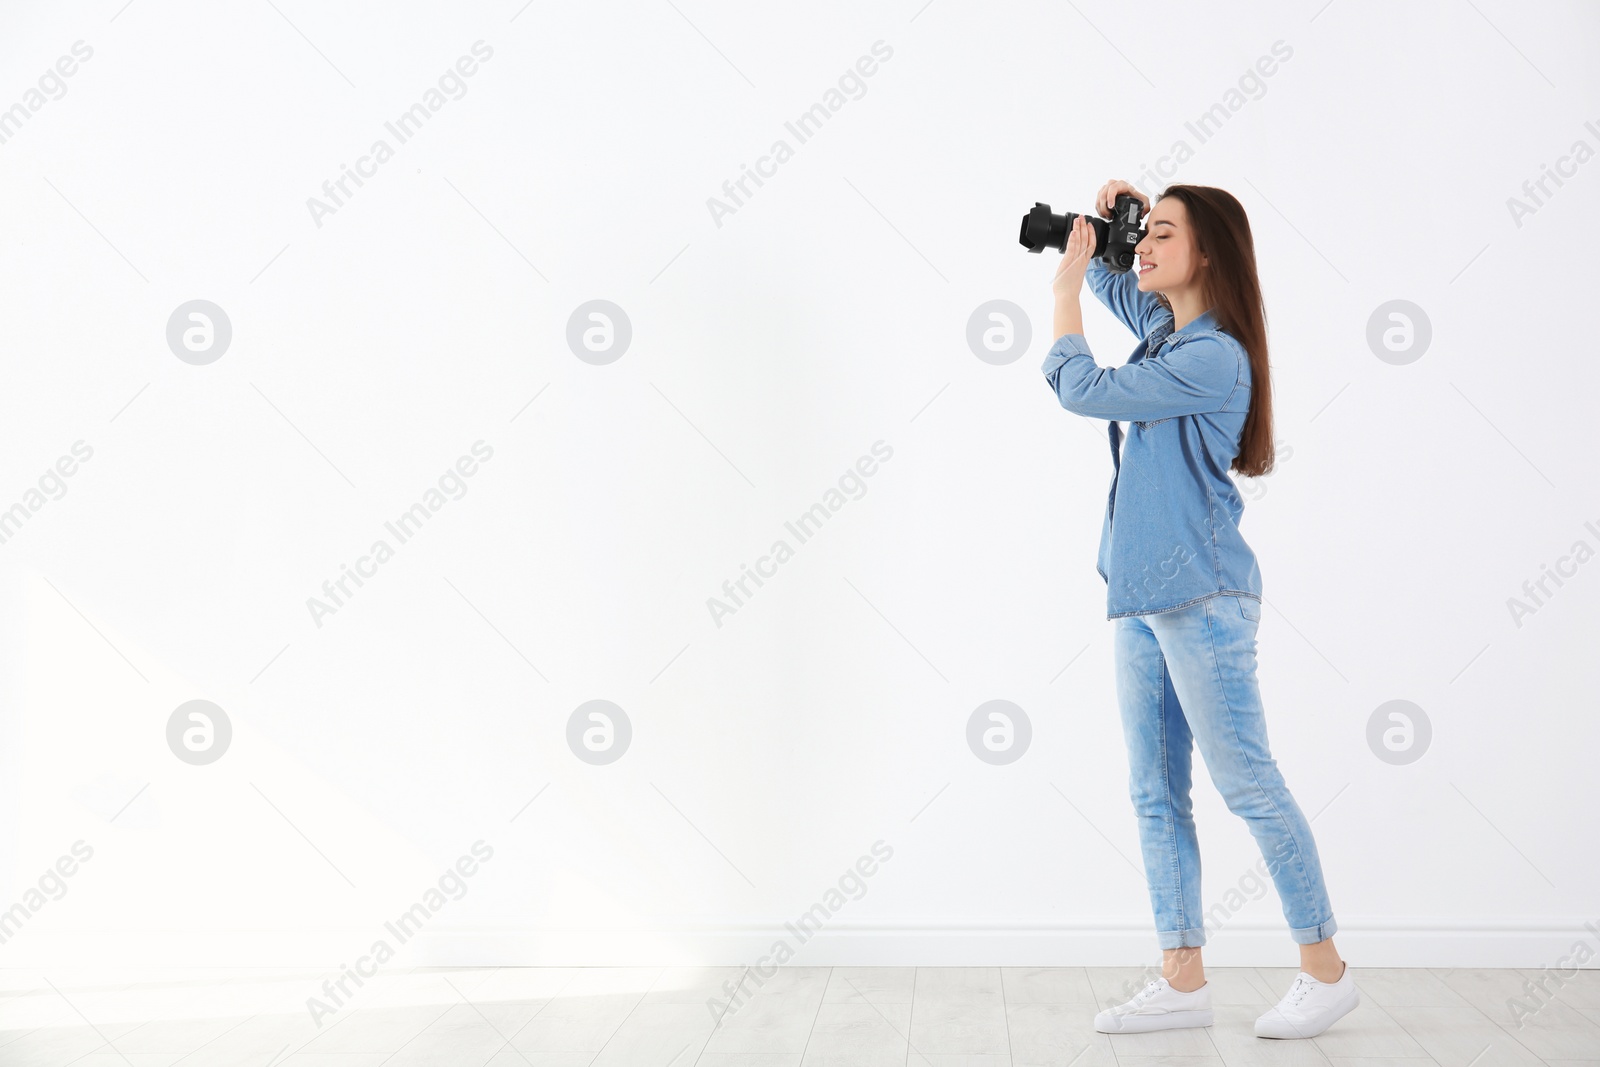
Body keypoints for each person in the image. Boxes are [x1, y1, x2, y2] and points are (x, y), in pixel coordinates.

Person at [1041, 179, 1359, 1040]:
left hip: (1205, 598)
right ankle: (1183, 981)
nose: (1144, 248)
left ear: (1209, 253)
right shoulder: (1164, 334)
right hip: (1139, 594)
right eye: (1147, 235)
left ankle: (1324, 971)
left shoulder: (1213, 354)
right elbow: (1126, 281)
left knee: (1247, 783)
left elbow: (1082, 388)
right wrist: (1120, 228)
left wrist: (1064, 293)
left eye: (1164, 234)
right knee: (1154, 792)